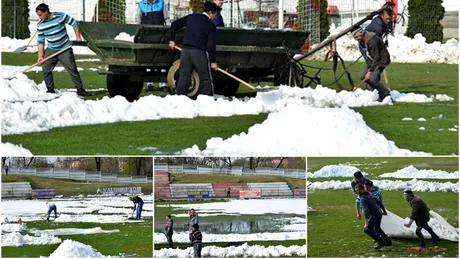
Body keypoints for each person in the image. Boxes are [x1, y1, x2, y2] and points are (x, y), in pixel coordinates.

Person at [35, 4, 91, 97]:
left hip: (64, 48)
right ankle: (50, 89)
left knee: (72, 69)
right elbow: (40, 41)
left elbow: (73, 22)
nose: (39, 17)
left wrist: (78, 36)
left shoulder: (60, 16)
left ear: (46, 12)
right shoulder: (40, 25)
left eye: (40, 14)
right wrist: (40, 56)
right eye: (38, 15)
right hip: (51, 49)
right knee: (46, 68)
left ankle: (80, 89)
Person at [169, 1, 221, 98]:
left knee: (184, 76)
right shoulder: (211, 25)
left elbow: (175, 24)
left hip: (185, 51)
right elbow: (211, 46)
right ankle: (207, 99)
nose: (215, 17)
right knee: (205, 77)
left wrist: (172, 39)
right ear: (210, 12)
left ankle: (180, 97)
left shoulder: (191, 17)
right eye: (215, 14)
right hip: (199, 52)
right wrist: (213, 61)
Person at [352, 27, 391, 102]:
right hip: (371, 60)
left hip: (381, 60)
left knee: (373, 79)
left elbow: (377, 57)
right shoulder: (362, 41)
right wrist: (369, 67)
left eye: (357, 37)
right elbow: (368, 54)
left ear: (361, 33)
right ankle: (377, 92)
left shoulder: (372, 41)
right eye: (355, 37)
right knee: (363, 76)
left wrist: (370, 71)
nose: (356, 39)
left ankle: (386, 94)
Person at [359, 8, 394, 91]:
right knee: (373, 69)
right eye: (387, 19)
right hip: (367, 47)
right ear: (382, 16)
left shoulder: (380, 21)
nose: (388, 21)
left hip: (372, 46)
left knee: (372, 70)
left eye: (390, 19)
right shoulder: (378, 27)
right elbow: (376, 44)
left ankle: (372, 88)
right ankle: (373, 89)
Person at [138, 0, 168, 92]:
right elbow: (138, 20)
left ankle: (163, 83)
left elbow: (166, 18)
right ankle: (150, 83)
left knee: (162, 59)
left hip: (160, 35)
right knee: (149, 60)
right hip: (147, 36)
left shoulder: (161, 3)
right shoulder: (140, 5)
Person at [356, 183, 391, 249]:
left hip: (374, 215)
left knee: (367, 230)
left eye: (357, 190)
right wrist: (384, 211)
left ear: (361, 190)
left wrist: (367, 222)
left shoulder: (363, 199)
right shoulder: (369, 193)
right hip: (379, 213)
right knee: (377, 228)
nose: (356, 192)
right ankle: (388, 241)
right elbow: (378, 202)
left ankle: (381, 241)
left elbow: (365, 211)